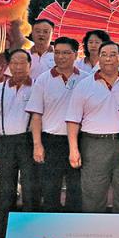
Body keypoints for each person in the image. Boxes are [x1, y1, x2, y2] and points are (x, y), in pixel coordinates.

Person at [66, 41, 119, 213]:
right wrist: (73, 149)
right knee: (93, 193)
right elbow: (73, 120)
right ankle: (94, 228)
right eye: (104, 55)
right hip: (93, 145)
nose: (108, 59)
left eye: (113, 55)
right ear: (98, 58)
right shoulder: (84, 85)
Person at [26, 37, 83, 213]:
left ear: (76, 54)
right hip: (51, 141)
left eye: (66, 53)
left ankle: (73, 225)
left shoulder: (86, 79)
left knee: (76, 188)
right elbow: (36, 115)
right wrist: (37, 145)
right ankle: (51, 226)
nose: (61, 57)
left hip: (79, 141)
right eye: (57, 53)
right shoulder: (43, 79)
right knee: (50, 188)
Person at [0, 49, 36, 238]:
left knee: (30, 189)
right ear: (8, 66)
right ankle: (6, 236)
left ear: (30, 65)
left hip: (28, 142)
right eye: (14, 63)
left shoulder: (37, 87)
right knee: (6, 190)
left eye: (22, 63)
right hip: (4, 142)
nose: (18, 67)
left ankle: (31, 236)